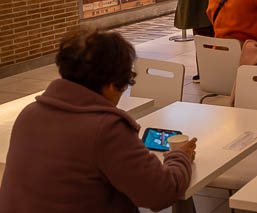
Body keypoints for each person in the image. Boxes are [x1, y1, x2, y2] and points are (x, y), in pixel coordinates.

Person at [0, 31, 195, 212]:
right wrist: (179, 156)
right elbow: (160, 194)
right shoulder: (106, 129)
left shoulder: (29, 114)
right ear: (111, 85)